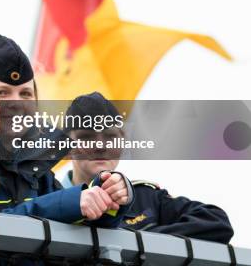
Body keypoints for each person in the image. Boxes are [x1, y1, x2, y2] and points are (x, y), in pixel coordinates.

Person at [0, 34, 132, 225]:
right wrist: (70, 203)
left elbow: (77, 228)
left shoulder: (37, 165)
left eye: (25, 94)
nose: (16, 104)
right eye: (2, 93)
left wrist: (108, 199)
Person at [60, 91, 234, 243]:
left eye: (110, 136)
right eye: (87, 136)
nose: (100, 146)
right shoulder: (45, 196)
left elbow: (217, 223)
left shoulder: (147, 197)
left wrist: (138, 242)